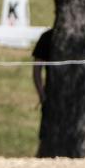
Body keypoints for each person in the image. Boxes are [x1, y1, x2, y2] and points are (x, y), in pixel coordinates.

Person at [31, 27, 53, 156]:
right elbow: (36, 69)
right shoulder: (47, 37)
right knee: (45, 137)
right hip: (50, 95)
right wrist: (42, 94)